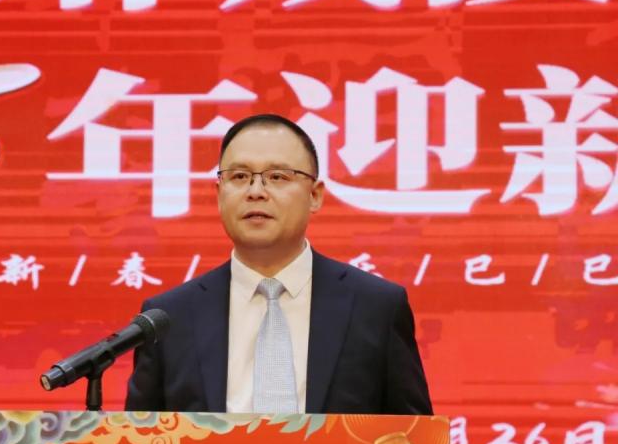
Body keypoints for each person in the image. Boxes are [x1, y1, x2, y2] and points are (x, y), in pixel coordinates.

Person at [125, 114, 432, 414]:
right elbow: (140, 441)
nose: (255, 192)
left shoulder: (376, 308)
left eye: (277, 177)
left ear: (315, 195)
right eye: (239, 176)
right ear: (219, 194)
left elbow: (414, 438)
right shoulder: (169, 318)